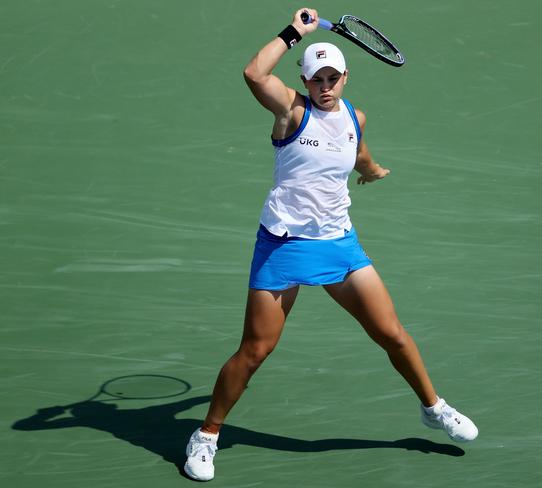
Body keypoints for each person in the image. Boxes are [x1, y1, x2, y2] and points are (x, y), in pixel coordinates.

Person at [184, 8, 478, 481]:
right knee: (256, 351)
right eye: (316, 78)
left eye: (333, 77)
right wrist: (295, 31)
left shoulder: (354, 117)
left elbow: (356, 150)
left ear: (345, 77)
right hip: (283, 246)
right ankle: (206, 436)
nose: (325, 86)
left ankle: (434, 407)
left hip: (339, 245)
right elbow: (253, 73)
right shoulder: (289, 111)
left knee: (392, 334)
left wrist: (371, 171)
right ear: (303, 79)